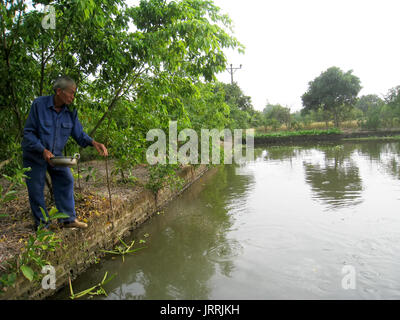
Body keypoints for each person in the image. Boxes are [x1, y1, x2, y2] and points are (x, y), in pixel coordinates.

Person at [21, 76, 108, 230]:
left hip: (55, 156)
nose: (73, 97)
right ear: (59, 91)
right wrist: (42, 150)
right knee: (36, 189)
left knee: (66, 179)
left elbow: (79, 134)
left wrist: (94, 143)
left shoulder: (70, 112)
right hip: (35, 155)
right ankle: (43, 226)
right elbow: (28, 133)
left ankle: (68, 219)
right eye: (71, 93)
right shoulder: (39, 105)